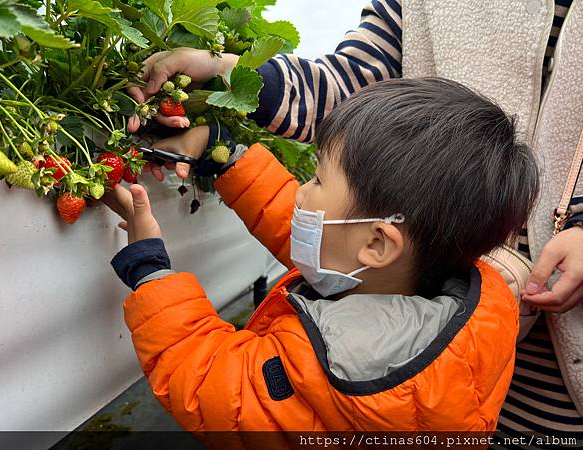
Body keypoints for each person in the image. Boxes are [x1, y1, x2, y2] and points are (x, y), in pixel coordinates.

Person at [129, 1, 583, 439]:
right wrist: (224, 155)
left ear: (381, 244)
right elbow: (329, 235)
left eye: (316, 180)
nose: (301, 191)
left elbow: (210, 386)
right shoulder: (466, 300)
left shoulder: (337, 364)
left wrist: (149, 270)